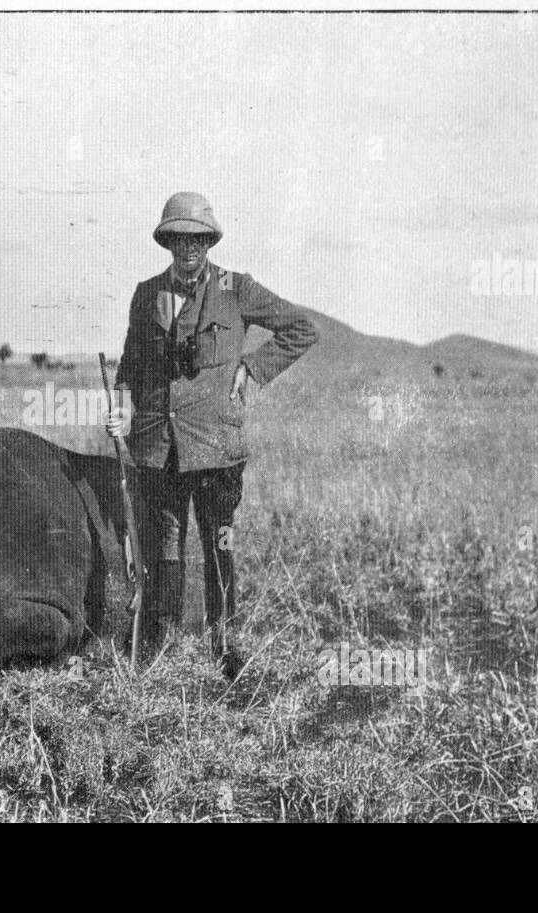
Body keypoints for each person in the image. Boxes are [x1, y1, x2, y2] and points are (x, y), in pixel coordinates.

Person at [105, 191, 319, 677]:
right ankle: (159, 639)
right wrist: (121, 407)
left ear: (210, 242)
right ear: (167, 243)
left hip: (217, 449)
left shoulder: (236, 288)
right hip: (159, 447)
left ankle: (224, 643)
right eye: (179, 239)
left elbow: (301, 330)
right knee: (164, 547)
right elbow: (132, 361)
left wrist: (253, 366)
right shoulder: (146, 293)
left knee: (219, 544)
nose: (189, 248)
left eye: (198, 239)